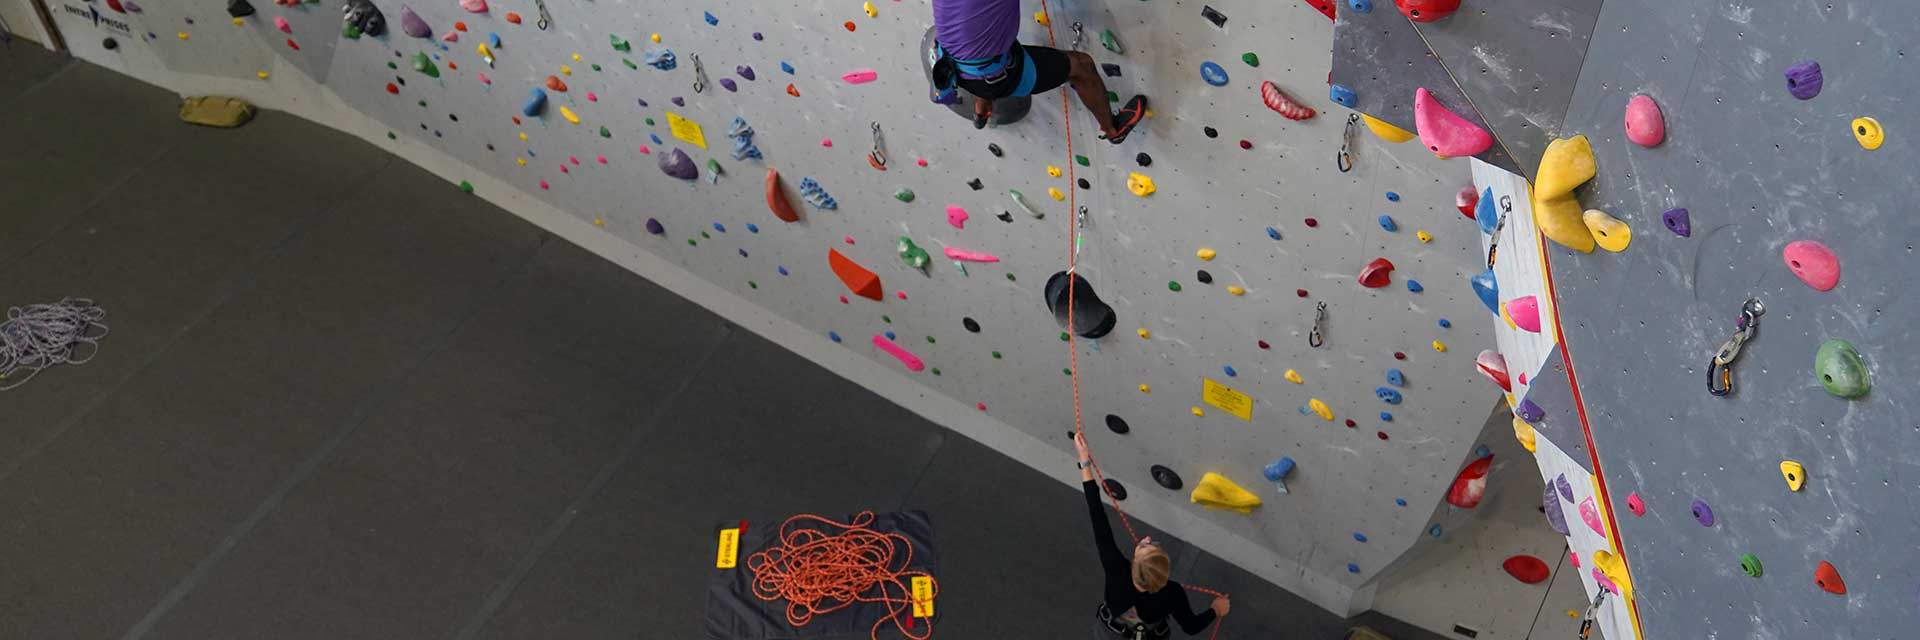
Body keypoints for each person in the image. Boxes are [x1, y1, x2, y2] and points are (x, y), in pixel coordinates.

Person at [1075, 433, 1228, 639]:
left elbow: (1098, 518)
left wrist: (1084, 461)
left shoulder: (1118, 572)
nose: (1146, 539)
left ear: (1135, 565)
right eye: (1150, 544)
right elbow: (1190, 626)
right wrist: (1216, 609)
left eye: (1146, 546)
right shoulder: (1172, 593)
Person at [931, 0, 1149, 143]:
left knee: (979, 42)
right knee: (1081, 66)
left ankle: (983, 104)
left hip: (955, 62)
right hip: (990, 72)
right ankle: (1113, 130)